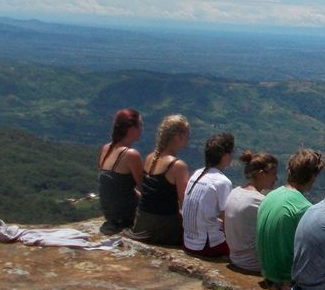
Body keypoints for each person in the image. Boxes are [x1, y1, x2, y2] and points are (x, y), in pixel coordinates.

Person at [256, 149, 325, 290]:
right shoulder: (303, 208)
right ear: (312, 176)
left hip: (268, 274)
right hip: (287, 280)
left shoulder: (270, 195)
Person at [124, 114, 190, 246]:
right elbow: (186, 204)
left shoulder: (149, 158)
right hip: (163, 227)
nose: (189, 138)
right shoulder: (178, 166)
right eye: (187, 134)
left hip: (142, 223)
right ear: (179, 136)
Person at [223, 150, 278, 274]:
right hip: (253, 264)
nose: (276, 178)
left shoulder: (234, 192)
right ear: (261, 174)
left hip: (234, 258)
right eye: (273, 173)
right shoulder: (259, 201)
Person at [181, 133, 235, 257]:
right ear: (225, 156)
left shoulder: (197, 174)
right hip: (206, 246)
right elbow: (227, 219)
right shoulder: (222, 182)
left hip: (187, 242)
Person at [97, 108, 144, 235]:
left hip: (111, 216)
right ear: (132, 130)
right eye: (140, 126)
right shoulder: (130, 154)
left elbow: (117, 186)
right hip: (126, 216)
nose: (142, 130)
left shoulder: (105, 149)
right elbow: (144, 188)